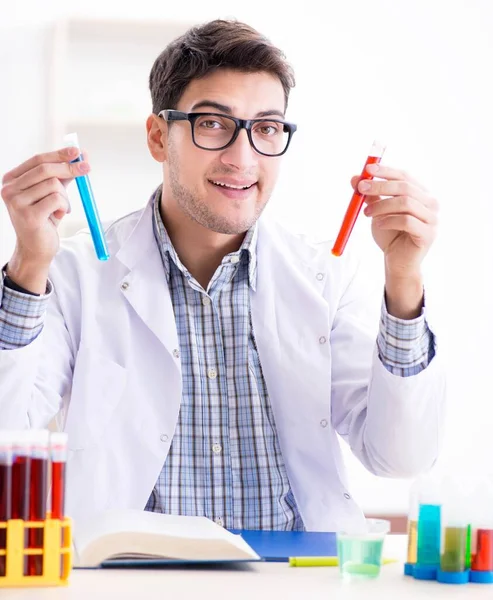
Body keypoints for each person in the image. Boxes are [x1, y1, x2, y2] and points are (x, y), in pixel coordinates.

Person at [0, 19, 444, 531]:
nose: (243, 158)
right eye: (213, 123)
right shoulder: (76, 275)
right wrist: (29, 264)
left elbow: (401, 456)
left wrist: (405, 278)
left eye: (267, 128)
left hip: (294, 575)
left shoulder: (325, 277)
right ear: (157, 137)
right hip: (128, 573)